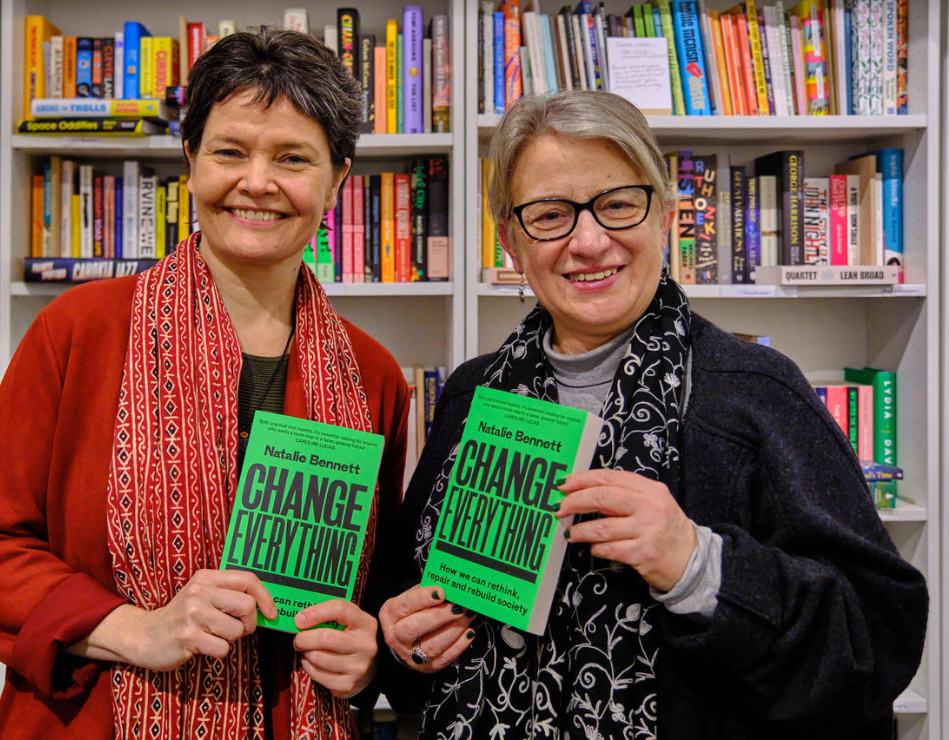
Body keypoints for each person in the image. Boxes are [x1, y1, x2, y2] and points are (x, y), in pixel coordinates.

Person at [378, 90, 927, 740]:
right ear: (511, 242)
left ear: (663, 216)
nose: (588, 241)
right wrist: (403, 638)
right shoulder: (473, 396)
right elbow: (407, 636)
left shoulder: (754, 390)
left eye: (616, 205)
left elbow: (875, 643)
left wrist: (696, 563)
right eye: (550, 214)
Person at [0, 28, 409, 739]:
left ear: (338, 178)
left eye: (292, 158)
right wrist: (135, 629)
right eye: (229, 151)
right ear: (189, 162)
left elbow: (375, 592)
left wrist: (368, 653)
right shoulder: (81, 330)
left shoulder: (372, 373)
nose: (257, 182)